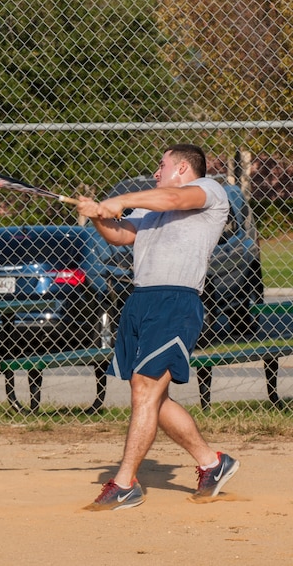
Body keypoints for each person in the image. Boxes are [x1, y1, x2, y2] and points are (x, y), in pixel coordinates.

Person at [76, 143, 240, 511]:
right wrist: (100, 214)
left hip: (175, 300)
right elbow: (122, 234)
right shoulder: (153, 214)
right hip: (142, 300)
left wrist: (120, 199)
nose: (156, 171)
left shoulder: (209, 191)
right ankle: (213, 463)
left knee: (145, 390)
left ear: (182, 167)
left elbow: (172, 198)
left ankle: (124, 484)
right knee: (152, 394)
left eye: (161, 165)